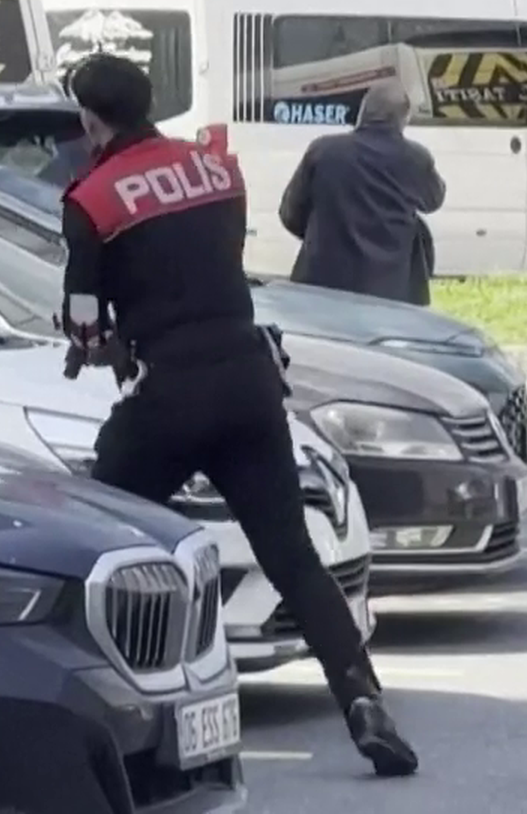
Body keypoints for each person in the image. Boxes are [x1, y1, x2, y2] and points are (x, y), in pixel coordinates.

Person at [58, 54, 418, 776]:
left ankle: (94, 721)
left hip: (170, 394)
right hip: (250, 383)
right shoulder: (217, 170)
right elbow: (216, 261)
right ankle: (362, 699)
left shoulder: (91, 199)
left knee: (97, 544)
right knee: (291, 555)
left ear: (91, 119)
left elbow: (85, 326)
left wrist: (106, 342)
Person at [279, 79, 445, 306]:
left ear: (362, 113)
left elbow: (290, 213)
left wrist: (321, 237)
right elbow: (434, 200)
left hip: (321, 285)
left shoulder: (323, 151)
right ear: (404, 119)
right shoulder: (416, 159)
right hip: (389, 292)